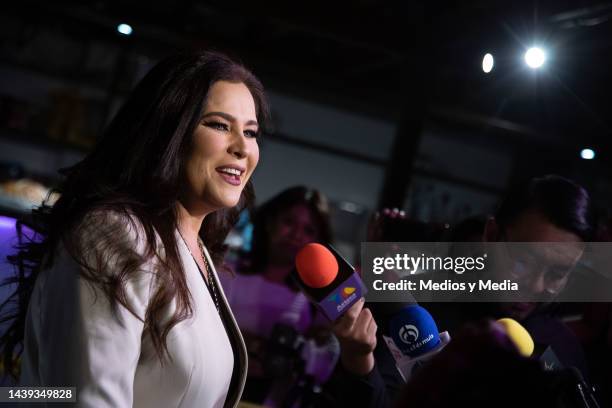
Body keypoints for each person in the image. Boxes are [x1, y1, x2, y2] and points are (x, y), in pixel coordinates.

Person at [0, 50, 270, 408]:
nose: (242, 148)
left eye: (250, 132)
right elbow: (86, 399)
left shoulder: (196, 249)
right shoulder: (115, 233)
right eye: (219, 125)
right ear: (169, 132)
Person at [220, 186, 338, 405]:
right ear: (269, 222)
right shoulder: (225, 273)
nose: (296, 235)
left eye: (309, 230)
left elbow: (325, 367)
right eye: (289, 222)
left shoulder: (320, 300)